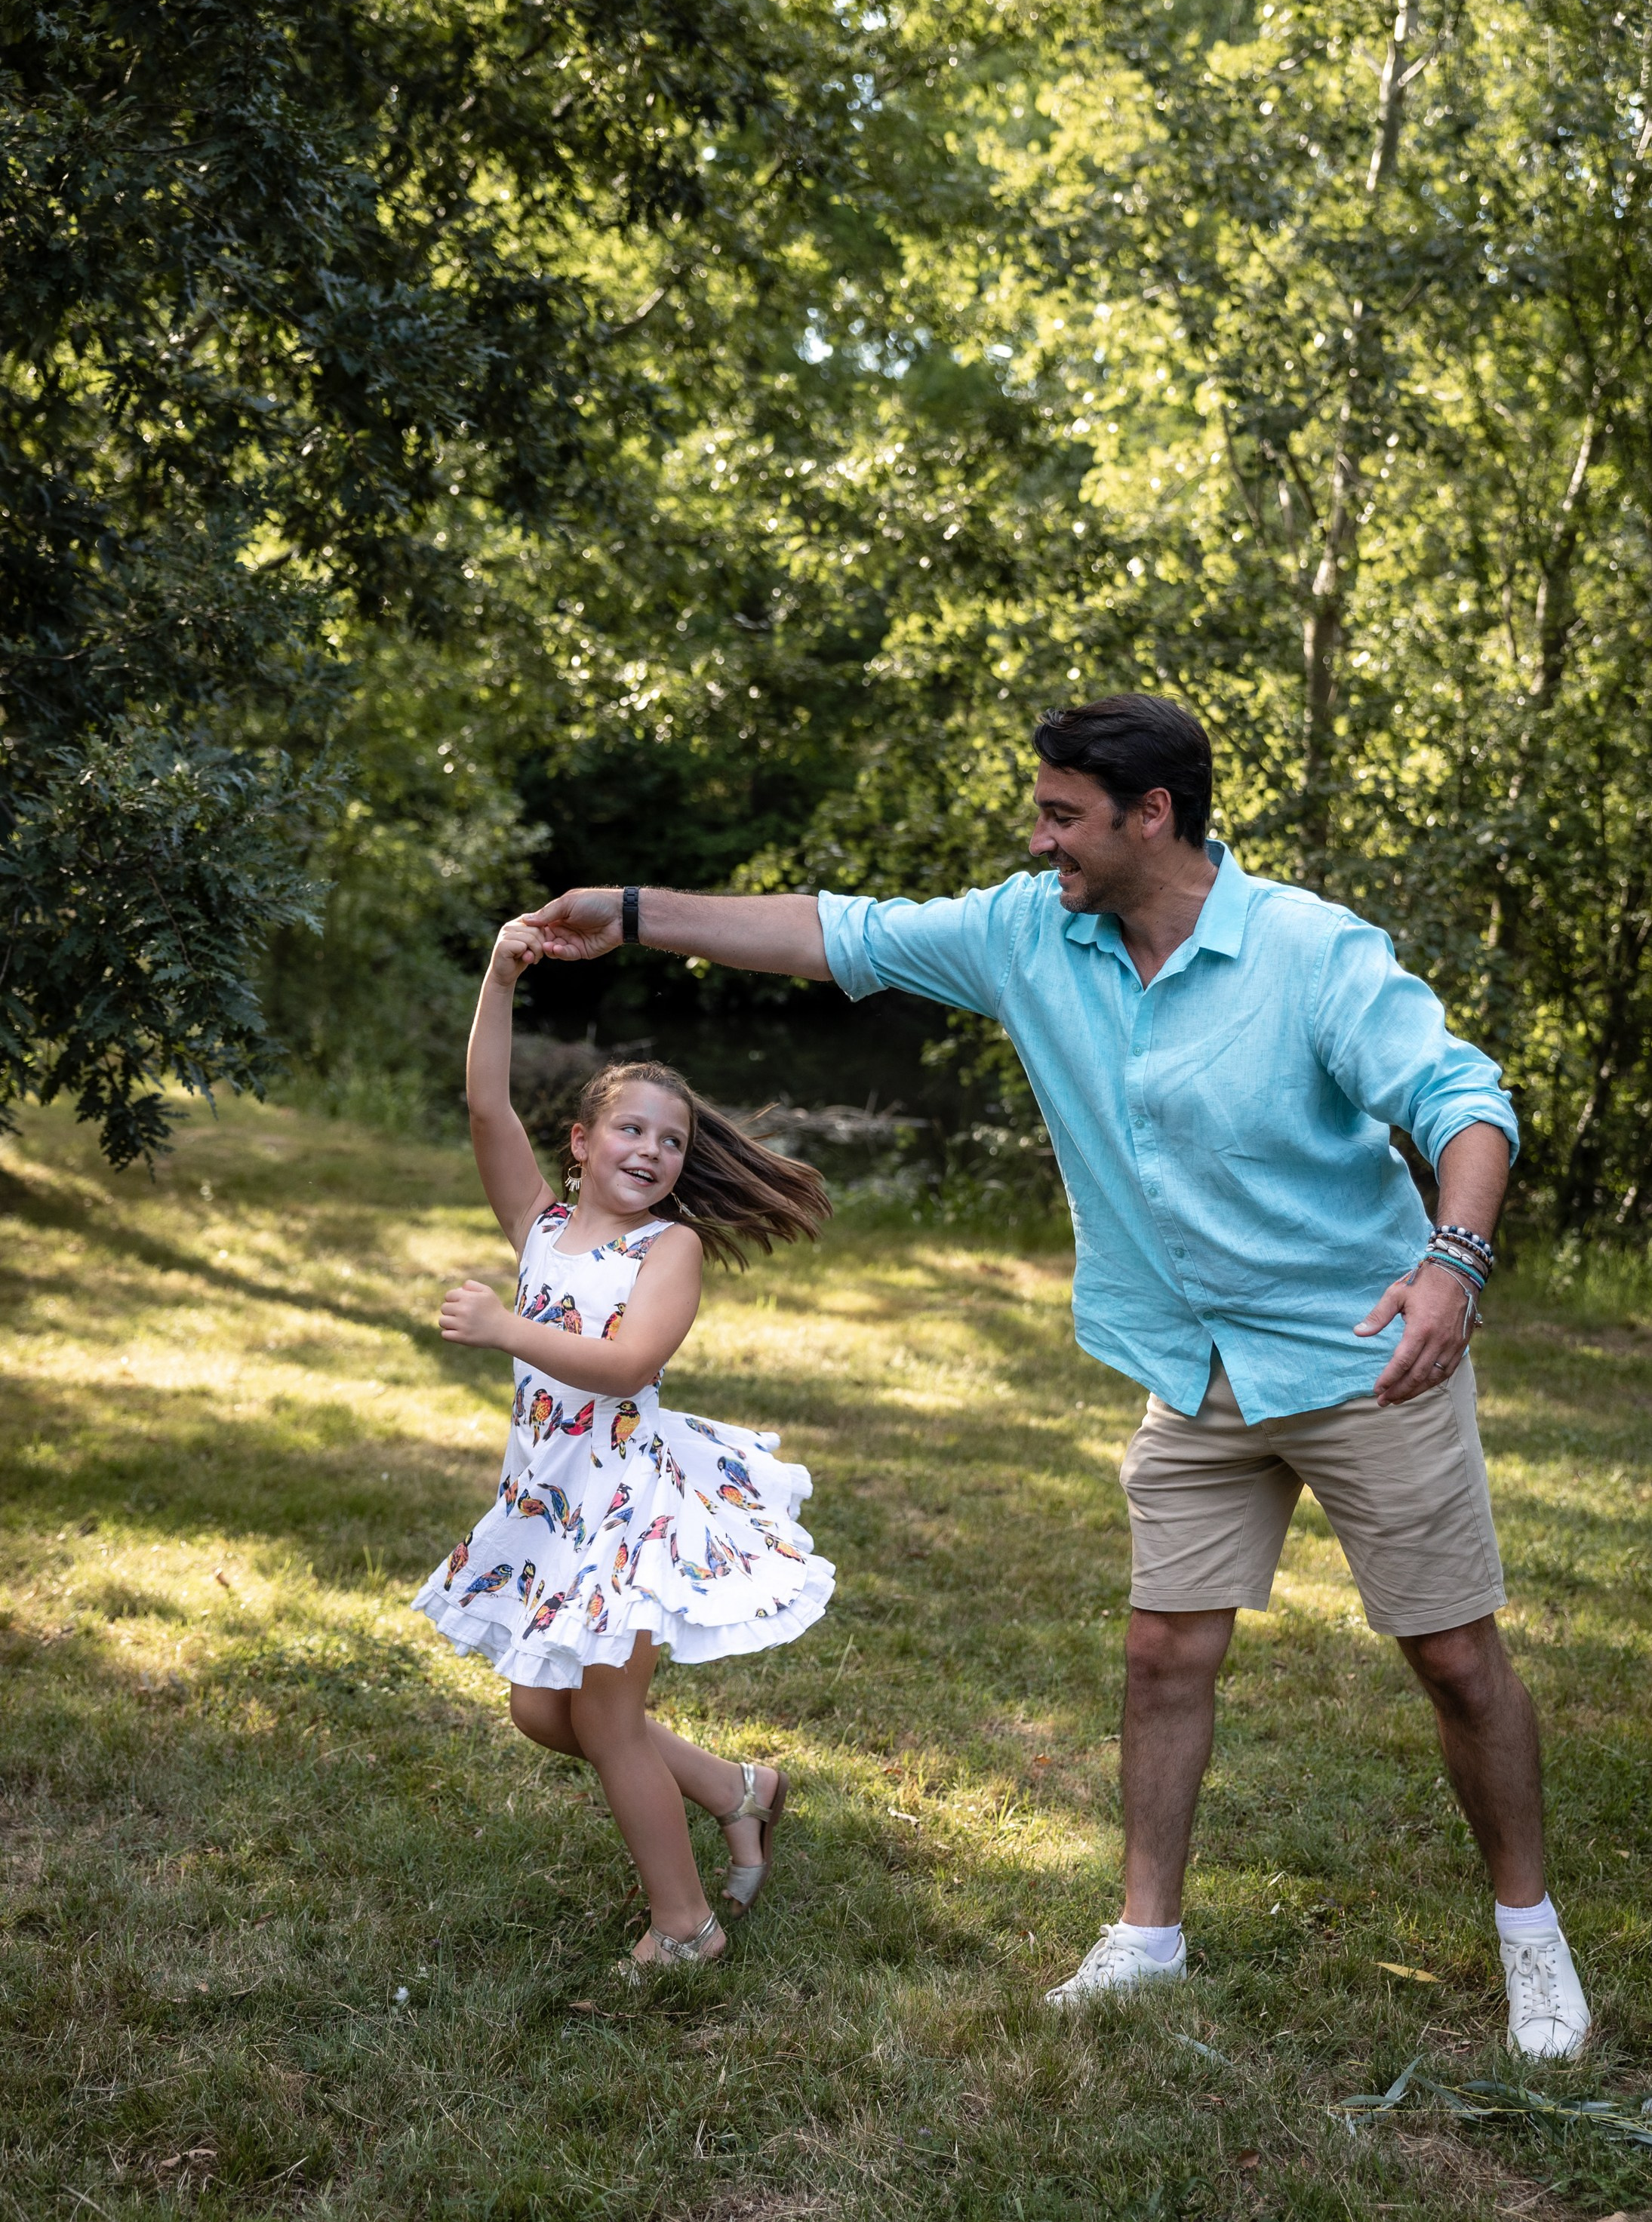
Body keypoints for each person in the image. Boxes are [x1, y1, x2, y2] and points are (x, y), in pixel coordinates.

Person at [525, 695, 1590, 2057]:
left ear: (1152, 817)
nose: (1038, 841)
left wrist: (1451, 1261)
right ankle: (1146, 1939)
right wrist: (625, 910)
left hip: (1362, 1351)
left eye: (1062, 817)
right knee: (1161, 1654)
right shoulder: (1033, 935)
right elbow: (828, 929)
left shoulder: (1307, 950)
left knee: (1451, 1659)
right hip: (1187, 1362)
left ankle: (1529, 1933)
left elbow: (1465, 1101)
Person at [414, 913, 835, 1972]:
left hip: (623, 1507)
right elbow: (482, 1104)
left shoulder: (670, 1247)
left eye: (671, 1140)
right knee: (536, 1708)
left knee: (604, 1720)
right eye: (630, 1131)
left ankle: (685, 1926)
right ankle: (741, 1791)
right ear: (583, 1143)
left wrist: (508, 1328)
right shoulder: (540, 1227)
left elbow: (627, 1365)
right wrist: (501, 977)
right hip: (544, 1500)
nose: (650, 1150)